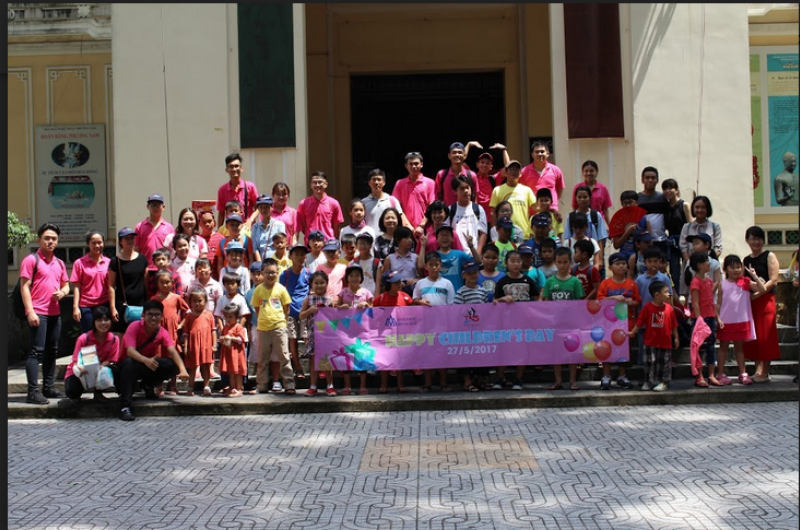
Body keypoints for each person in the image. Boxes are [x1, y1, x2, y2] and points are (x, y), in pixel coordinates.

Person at [19, 222, 70, 404]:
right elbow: (24, 287)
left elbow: (66, 284)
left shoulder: (59, 263)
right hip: (38, 312)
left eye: (54, 239)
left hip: (55, 313)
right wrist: (30, 311)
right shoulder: (31, 260)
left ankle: (48, 387)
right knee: (36, 351)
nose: (50, 242)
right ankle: (33, 392)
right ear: (39, 239)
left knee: (52, 350)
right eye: (47, 238)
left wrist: (63, 293)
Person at [118, 299, 190, 421]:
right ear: (143, 315)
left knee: (173, 365)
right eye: (150, 314)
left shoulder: (162, 332)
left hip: (148, 364)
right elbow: (130, 351)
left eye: (157, 314)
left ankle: (148, 384)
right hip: (128, 365)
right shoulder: (134, 327)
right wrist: (146, 360)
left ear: (162, 316)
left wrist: (183, 370)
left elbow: (172, 351)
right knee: (130, 364)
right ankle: (125, 407)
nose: (153, 318)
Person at [493, 250, 540, 391]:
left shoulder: (528, 280)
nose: (516, 264)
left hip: (524, 322)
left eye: (518, 261)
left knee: (522, 350)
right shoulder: (502, 282)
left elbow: (537, 298)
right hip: (506, 323)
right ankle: (500, 378)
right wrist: (502, 299)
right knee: (504, 350)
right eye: (512, 261)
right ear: (506, 263)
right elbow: (495, 301)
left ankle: (519, 379)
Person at [717, 254, 767, 386]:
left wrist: (754, 276)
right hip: (725, 321)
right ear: (725, 269)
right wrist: (717, 317)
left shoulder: (745, 282)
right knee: (723, 348)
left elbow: (763, 289)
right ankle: (720, 373)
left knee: (740, 348)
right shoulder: (722, 284)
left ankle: (743, 373)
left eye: (738, 267)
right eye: (732, 267)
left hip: (741, 320)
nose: (736, 270)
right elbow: (719, 303)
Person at [251, 258, 296, 395]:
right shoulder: (258, 290)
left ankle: (289, 384)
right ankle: (262, 385)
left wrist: (281, 322)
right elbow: (257, 308)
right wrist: (263, 320)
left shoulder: (281, 289)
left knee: (284, 356)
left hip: (279, 327)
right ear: (262, 273)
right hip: (263, 328)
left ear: (278, 273)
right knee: (262, 359)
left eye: (273, 272)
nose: (270, 275)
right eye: (267, 272)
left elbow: (286, 308)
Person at [542, 247, 585, 392]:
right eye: (559, 262)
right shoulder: (549, 282)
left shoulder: (575, 282)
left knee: (572, 353)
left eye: (565, 262)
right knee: (557, 354)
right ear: (555, 262)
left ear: (570, 262)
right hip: (555, 324)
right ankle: (558, 381)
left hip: (571, 324)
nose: (562, 265)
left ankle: (573, 381)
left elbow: (580, 303)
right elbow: (546, 302)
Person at [742, 226, 781, 382]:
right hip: (752, 303)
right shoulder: (746, 260)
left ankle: (765, 371)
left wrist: (757, 294)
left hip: (766, 301)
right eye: (753, 239)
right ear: (747, 240)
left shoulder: (769, 255)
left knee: (766, 336)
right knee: (754, 336)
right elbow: (744, 281)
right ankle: (758, 369)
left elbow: (774, 279)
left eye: (759, 238)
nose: (756, 242)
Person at [413, 251, 456, 392]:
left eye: (436, 264)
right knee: (427, 354)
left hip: (442, 324)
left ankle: (443, 383)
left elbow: (451, 305)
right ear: (426, 266)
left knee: (442, 354)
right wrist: (421, 302)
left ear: (440, 265)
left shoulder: (447, 283)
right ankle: (428, 383)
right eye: (431, 265)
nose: (434, 267)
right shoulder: (420, 283)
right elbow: (414, 300)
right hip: (426, 325)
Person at [596, 253, 640, 389]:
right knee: (607, 348)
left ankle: (622, 376)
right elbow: (599, 300)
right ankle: (606, 376)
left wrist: (631, 302)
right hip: (608, 324)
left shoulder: (632, 284)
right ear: (610, 267)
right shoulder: (605, 283)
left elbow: (637, 301)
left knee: (624, 350)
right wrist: (613, 298)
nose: (621, 266)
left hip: (627, 324)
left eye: (623, 263)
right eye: (617, 264)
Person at [628, 281, 679, 392]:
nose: (669, 294)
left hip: (665, 342)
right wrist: (633, 332)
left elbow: (673, 324)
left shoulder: (669, 308)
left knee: (664, 363)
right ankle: (648, 381)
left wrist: (676, 337)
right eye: (666, 292)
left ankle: (664, 382)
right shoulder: (647, 307)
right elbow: (640, 322)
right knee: (649, 362)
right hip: (650, 341)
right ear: (657, 295)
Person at [64, 306, 120, 403]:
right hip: (82, 371)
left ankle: (99, 393)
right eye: (99, 320)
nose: (103, 323)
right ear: (94, 322)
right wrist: (81, 369)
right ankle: (76, 395)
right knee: (71, 390)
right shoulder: (83, 338)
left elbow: (111, 360)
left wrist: (101, 367)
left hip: (100, 370)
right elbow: (75, 361)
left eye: (106, 319)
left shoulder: (114, 339)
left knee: (115, 371)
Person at [372, 270, 412, 394]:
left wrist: (421, 302)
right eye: (395, 282)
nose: (399, 284)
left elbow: (413, 307)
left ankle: (401, 385)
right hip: (384, 335)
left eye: (399, 281)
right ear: (388, 285)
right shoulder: (380, 299)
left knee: (399, 360)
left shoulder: (404, 296)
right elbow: (373, 313)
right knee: (384, 360)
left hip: (400, 334)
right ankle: (383, 385)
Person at [151, 269, 189, 396]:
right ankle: (159, 385)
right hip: (158, 333)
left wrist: (181, 325)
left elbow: (188, 312)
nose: (165, 285)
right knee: (159, 358)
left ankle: (173, 385)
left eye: (167, 282)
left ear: (172, 283)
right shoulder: (154, 299)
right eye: (162, 282)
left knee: (173, 357)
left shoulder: (176, 298)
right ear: (157, 284)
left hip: (172, 333)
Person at [454, 260, 490, 392]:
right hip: (466, 331)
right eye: (469, 273)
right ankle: (467, 381)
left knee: (482, 354)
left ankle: (480, 379)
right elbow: (456, 311)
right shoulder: (461, 292)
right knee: (465, 355)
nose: (472, 275)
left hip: (480, 331)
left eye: (475, 272)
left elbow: (486, 309)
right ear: (463, 275)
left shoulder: (483, 291)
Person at [337, 265, 374, 396]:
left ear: (361, 278)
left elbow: (373, 309)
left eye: (357, 275)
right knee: (346, 357)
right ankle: (347, 386)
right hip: (346, 331)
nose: (354, 278)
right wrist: (342, 307)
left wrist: (366, 305)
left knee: (362, 357)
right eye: (351, 275)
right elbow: (336, 308)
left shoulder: (366, 293)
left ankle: (362, 386)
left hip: (362, 331)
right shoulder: (342, 293)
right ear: (347, 278)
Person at [300, 271, 337, 396]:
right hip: (313, 336)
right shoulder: (308, 299)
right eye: (316, 283)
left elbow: (336, 316)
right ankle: (313, 386)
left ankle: (330, 385)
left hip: (327, 336)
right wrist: (310, 310)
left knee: (327, 360)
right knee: (313, 361)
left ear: (327, 283)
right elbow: (301, 315)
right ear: (311, 284)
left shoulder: (330, 299)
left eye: (322, 283)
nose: (319, 285)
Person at [688, 251, 721, 387]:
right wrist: (699, 319)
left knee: (711, 346)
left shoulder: (708, 281)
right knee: (700, 348)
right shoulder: (695, 282)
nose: (709, 263)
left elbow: (710, 301)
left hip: (710, 317)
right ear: (699, 265)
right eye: (706, 261)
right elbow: (695, 303)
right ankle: (700, 376)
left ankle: (711, 375)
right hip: (700, 320)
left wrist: (717, 317)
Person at [108, 227, 149, 335]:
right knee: (122, 335)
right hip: (123, 305)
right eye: (126, 238)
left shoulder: (142, 259)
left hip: (140, 304)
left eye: (132, 238)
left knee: (141, 334)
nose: (130, 241)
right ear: (120, 241)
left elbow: (146, 283)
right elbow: (111, 286)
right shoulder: (115, 261)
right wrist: (113, 308)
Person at [279, 243, 312, 379]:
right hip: (290, 313)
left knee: (307, 337)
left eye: (302, 254)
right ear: (290, 256)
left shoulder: (308, 273)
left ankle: (312, 366)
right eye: (296, 254)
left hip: (305, 313)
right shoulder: (285, 275)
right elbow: (280, 293)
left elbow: (311, 291)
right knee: (292, 339)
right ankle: (298, 368)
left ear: (305, 257)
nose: (299, 257)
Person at [70, 230, 110, 333]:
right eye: (93, 243)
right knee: (89, 335)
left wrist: (113, 307)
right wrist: (75, 307)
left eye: (99, 242)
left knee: (103, 334)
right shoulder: (79, 263)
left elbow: (111, 286)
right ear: (88, 244)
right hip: (86, 306)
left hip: (104, 304)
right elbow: (77, 287)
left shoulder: (109, 262)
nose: (97, 245)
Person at [182, 289, 218, 397]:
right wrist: (186, 346)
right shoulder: (189, 316)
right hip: (194, 345)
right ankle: (190, 386)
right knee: (193, 367)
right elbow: (186, 333)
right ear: (190, 302)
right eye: (194, 301)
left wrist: (214, 344)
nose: (197, 303)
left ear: (205, 301)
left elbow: (213, 331)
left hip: (206, 345)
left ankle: (206, 386)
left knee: (206, 366)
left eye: (200, 300)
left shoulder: (209, 315)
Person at [490, 160, 537, 239]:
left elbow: (537, 209)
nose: (514, 172)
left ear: (520, 173)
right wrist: (495, 233)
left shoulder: (527, 190)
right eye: (511, 169)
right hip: (504, 235)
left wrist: (552, 211)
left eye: (516, 169)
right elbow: (493, 213)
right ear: (505, 173)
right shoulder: (497, 190)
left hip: (523, 235)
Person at [297, 171, 344, 245]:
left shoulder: (334, 203)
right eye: (314, 182)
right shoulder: (303, 204)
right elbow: (303, 226)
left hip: (328, 244)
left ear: (326, 184)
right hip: (311, 245)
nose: (317, 185)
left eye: (320, 182)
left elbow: (336, 227)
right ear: (311, 185)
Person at [445, 174, 488, 255]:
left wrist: (478, 253)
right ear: (455, 191)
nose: (466, 191)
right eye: (462, 189)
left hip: (474, 255)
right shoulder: (450, 210)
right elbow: (446, 233)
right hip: (456, 255)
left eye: (467, 188)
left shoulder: (478, 209)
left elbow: (483, 233)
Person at [661, 179, 693, 288]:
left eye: (670, 188)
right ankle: (677, 294)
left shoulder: (684, 205)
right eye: (665, 189)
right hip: (672, 242)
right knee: (674, 270)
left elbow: (691, 225)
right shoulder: (665, 207)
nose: (668, 191)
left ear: (677, 190)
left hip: (685, 240)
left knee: (688, 268)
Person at [637, 167, 671, 263]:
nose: (650, 180)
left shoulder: (663, 198)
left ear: (657, 180)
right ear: (642, 180)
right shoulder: (637, 199)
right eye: (647, 178)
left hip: (661, 241)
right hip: (644, 243)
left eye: (653, 178)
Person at [679, 195, 722, 272]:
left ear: (708, 209)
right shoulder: (686, 227)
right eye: (697, 207)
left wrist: (705, 262)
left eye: (703, 207)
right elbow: (684, 248)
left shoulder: (715, 227)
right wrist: (691, 264)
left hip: (710, 267)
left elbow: (718, 248)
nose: (699, 210)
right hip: (691, 267)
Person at [395, 152, 436, 232]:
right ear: (406, 165)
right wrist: (407, 225)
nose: (414, 166)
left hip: (427, 228)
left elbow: (432, 206)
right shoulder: (400, 183)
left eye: (416, 164)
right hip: (405, 230)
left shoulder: (430, 183)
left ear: (421, 164)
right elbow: (396, 206)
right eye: (411, 164)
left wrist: (422, 225)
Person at [520, 141, 566, 211]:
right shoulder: (524, 172)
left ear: (547, 154)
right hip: (532, 212)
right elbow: (522, 192)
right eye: (537, 152)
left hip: (551, 211)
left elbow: (559, 191)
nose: (540, 154)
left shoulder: (556, 170)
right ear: (532, 155)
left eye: (542, 151)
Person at [135, 193, 175, 272]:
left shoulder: (169, 228)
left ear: (163, 207)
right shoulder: (140, 227)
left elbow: (173, 251)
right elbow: (136, 250)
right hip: (146, 269)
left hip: (164, 270)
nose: (155, 207)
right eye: (153, 205)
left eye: (158, 205)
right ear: (148, 207)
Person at [362, 168, 409, 235]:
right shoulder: (363, 203)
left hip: (388, 238)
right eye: (374, 179)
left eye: (379, 180)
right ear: (369, 183)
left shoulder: (392, 201)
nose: (376, 182)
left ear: (384, 182)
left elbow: (402, 221)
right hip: (370, 238)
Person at [217, 152, 259, 227]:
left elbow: (258, 207)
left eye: (236, 166)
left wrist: (250, 220)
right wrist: (219, 230)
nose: (234, 169)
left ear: (241, 168)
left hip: (247, 229)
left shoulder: (250, 187)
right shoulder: (222, 190)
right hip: (231, 229)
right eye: (231, 167)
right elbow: (221, 213)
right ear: (226, 170)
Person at [218, 302, 247, 398]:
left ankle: (239, 388)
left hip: (237, 353)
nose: (228, 319)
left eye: (230, 317)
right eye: (226, 317)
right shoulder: (226, 327)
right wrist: (222, 339)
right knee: (230, 371)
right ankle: (232, 387)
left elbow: (241, 339)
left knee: (238, 371)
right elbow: (222, 336)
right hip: (228, 353)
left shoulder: (239, 327)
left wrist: (231, 338)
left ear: (236, 317)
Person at [434, 142, 476, 206]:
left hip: (467, 212)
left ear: (464, 155)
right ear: (449, 156)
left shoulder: (472, 175)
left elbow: (475, 196)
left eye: (460, 152)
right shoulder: (441, 175)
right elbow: (437, 196)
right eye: (454, 152)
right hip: (448, 212)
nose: (457, 155)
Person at [612, 190, 649, 261]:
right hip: (624, 256)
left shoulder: (644, 219)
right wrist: (628, 232)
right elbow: (616, 245)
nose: (628, 205)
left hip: (640, 257)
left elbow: (649, 242)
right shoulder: (618, 221)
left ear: (637, 203)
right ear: (622, 204)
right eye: (625, 203)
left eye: (630, 202)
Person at [383, 226, 420, 297]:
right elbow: (386, 280)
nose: (410, 240)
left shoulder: (416, 257)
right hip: (396, 292)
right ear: (398, 240)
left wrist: (416, 280)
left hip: (413, 290)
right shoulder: (389, 259)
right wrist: (398, 283)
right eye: (406, 238)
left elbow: (422, 277)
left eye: (410, 238)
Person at [251, 194, 287, 262]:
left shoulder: (280, 225)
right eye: (261, 207)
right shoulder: (255, 227)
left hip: (277, 262)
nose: (263, 210)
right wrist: (260, 264)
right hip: (261, 263)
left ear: (272, 207)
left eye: (266, 207)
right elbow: (255, 248)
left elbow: (283, 245)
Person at [198, 209, 226, 280]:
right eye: (204, 222)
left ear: (215, 223)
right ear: (199, 224)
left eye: (209, 221)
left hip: (217, 278)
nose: (207, 224)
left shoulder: (221, 238)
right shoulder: (197, 239)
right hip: (201, 278)